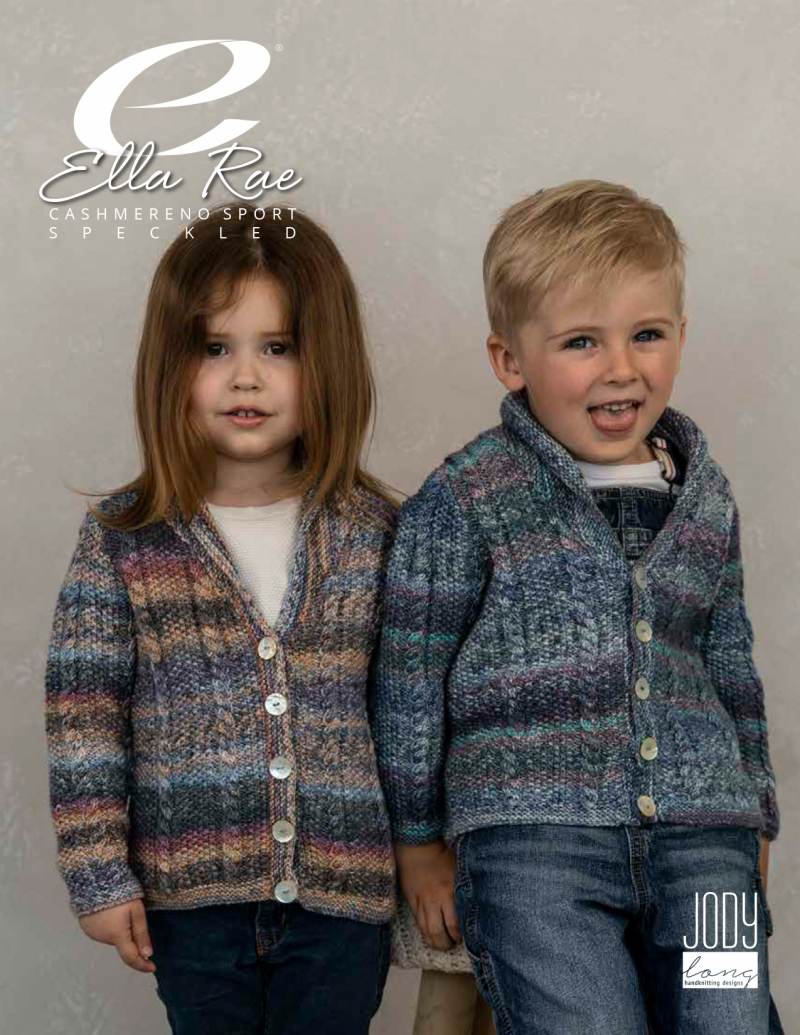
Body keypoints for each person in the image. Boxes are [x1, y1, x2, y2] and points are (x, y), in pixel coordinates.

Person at [371, 180, 782, 1033]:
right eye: (581, 341)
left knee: (732, 1018)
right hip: (533, 844)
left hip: (708, 839)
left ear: (681, 336)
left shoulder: (705, 494)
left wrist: (755, 818)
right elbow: (409, 677)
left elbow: (731, 664)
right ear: (510, 360)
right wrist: (417, 844)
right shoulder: (469, 495)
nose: (621, 367)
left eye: (646, 334)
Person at [45, 204, 398, 1035]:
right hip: (190, 905)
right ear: (169, 365)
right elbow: (83, 716)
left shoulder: (379, 533)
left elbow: (411, 710)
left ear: (330, 361)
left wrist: (427, 852)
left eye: (278, 348)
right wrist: (98, 872)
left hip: (345, 900)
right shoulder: (125, 538)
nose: (246, 378)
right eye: (214, 349)